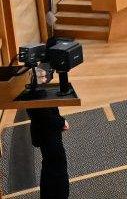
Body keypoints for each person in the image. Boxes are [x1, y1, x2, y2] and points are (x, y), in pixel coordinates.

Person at [26, 67, 70, 199]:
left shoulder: (32, 92)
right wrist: (62, 122)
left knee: (49, 167)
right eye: (42, 78)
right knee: (58, 169)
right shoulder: (37, 96)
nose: (46, 79)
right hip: (49, 136)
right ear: (35, 80)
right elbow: (46, 117)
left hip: (45, 135)